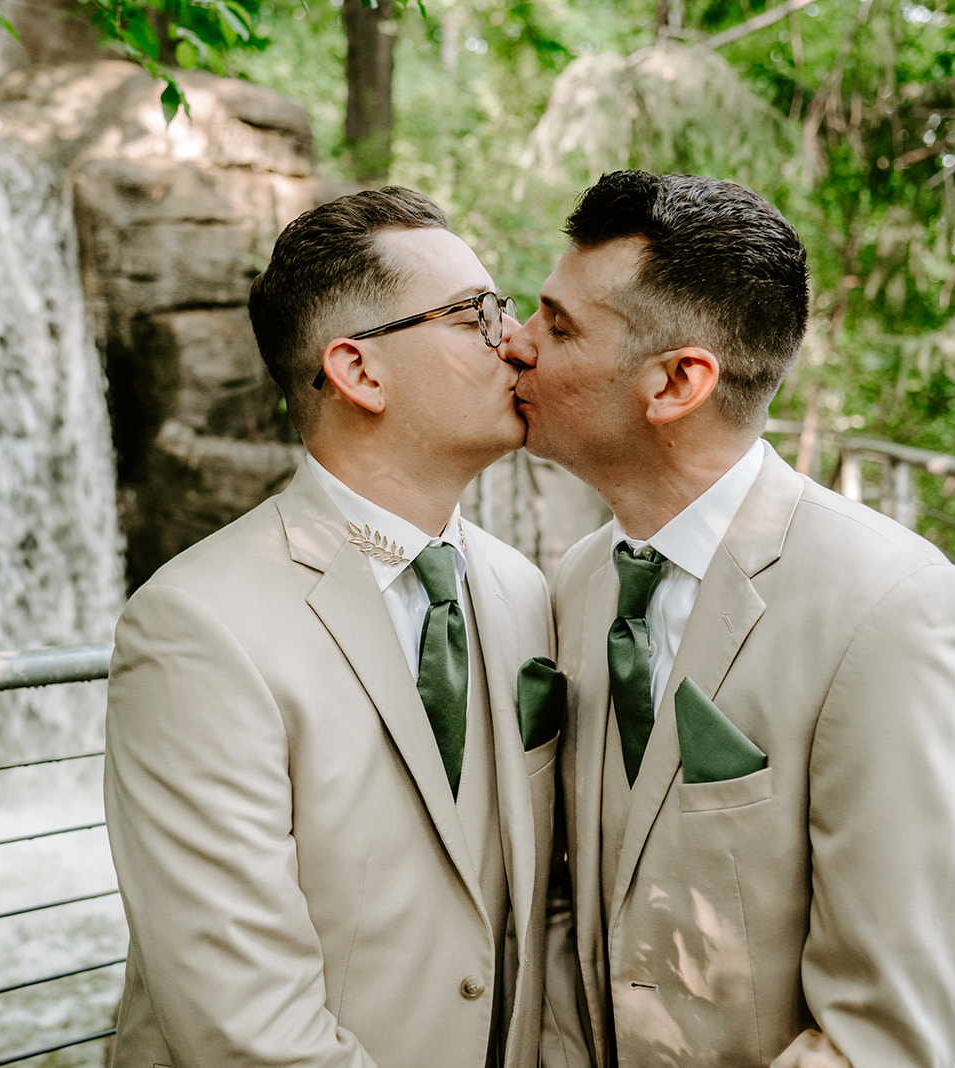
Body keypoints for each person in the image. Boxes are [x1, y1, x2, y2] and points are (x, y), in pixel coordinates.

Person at [500, 170, 955, 1068]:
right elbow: (569, 906)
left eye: (560, 324)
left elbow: (889, 1037)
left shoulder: (897, 612)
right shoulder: (580, 582)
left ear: (676, 383)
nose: (516, 342)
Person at [104, 186, 587, 1068]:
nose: (516, 341)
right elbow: (243, 1025)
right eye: (476, 315)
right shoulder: (195, 628)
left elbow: (545, 909)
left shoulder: (523, 592)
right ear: (359, 372)